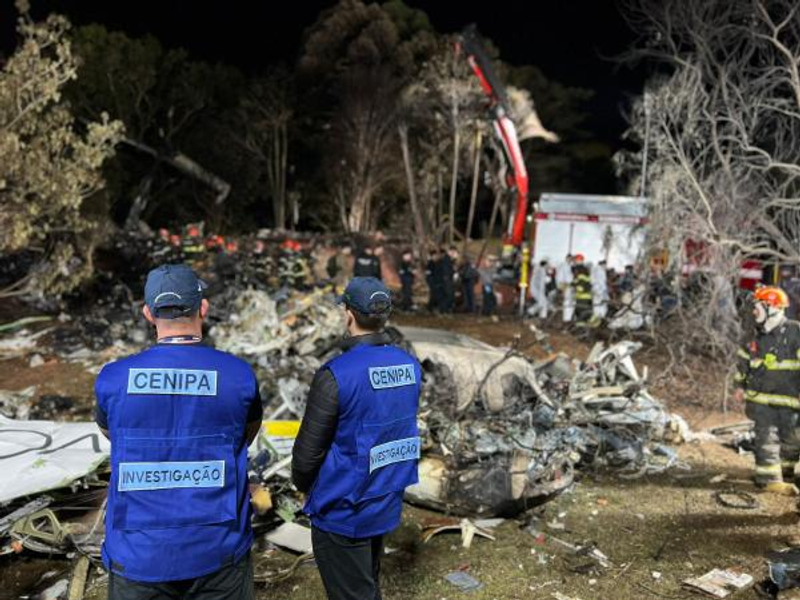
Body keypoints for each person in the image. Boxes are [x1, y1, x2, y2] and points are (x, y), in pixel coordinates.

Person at [94, 264, 262, 599]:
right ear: (203, 307)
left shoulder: (113, 379)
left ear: (147, 313)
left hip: (138, 554)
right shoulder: (238, 375)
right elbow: (245, 434)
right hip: (218, 549)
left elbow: (113, 435)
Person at [292, 277, 421, 600]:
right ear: (385, 316)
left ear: (347, 313)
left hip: (342, 508)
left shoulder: (336, 374)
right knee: (366, 581)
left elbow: (307, 454)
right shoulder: (410, 366)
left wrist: (303, 486)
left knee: (353, 591)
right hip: (384, 497)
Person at [735, 286, 800, 495]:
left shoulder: (794, 331)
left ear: (772, 308)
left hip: (789, 399)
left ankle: (785, 470)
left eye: (758, 307)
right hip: (761, 400)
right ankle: (769, 479)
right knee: (766, 439)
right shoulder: (752, 336)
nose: (754, 312)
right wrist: (739, 386)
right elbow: (743, 363)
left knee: (792, 438)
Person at [572, 254, 593, 326]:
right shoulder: (581, 269)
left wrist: (575, 288)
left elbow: (581, 283)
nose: (574, 261)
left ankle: (582, 328)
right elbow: (577, 281)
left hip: (583, 295)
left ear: (579, 260)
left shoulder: (581, 270)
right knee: (580, 311)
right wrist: (570, 285)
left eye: (575, 260)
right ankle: (582, 327)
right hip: (582, 295)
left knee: (581, 312)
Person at [556, 254, 575, 323]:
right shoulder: (564, 266)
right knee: (568, 303)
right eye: (570, 258)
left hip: (568, 286)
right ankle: (566, 319)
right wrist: (562, 288)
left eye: (571, 259)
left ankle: (568, 318)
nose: (571, 260)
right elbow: (561, 278)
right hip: (566, 286)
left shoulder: (568, 266)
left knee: (570, 302)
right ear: (566, 258)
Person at [439, 247, 456, 314]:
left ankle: (445, 309)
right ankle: (443, 309)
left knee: (449, 295)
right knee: (448, 295)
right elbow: (447, 270)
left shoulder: (448, 259)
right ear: (450, 251)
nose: (453, 254)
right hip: (447, 279)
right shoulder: (446, 259)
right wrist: (453, 271)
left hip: (448, 279)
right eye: (453, 252)